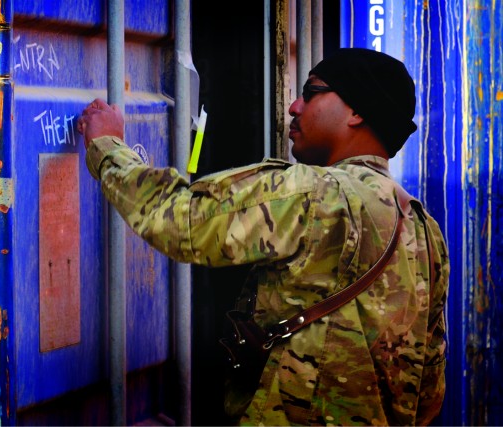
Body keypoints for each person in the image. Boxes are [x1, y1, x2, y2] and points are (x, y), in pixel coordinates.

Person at [76, 48, 449, 426]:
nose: (293, 106)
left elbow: (180, 222)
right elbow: (429, 389)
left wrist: (108, 147)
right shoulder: (424, 230)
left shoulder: (316, 194)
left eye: (312, 91)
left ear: (357, 112)